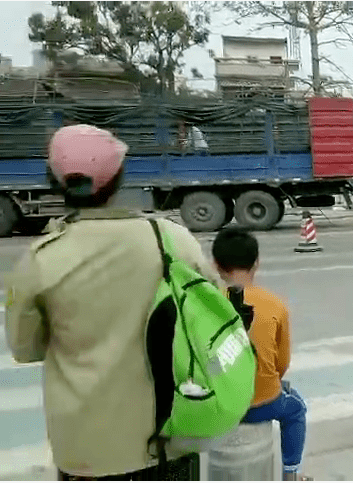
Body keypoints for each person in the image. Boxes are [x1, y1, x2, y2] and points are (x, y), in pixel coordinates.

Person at [5, 124, 219, 480]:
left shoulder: (40, 260)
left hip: (86, 450)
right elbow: (211, 314)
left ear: (55, 182)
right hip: (168, 435)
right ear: (120, 179)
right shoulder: (170, 240)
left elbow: (26, 348)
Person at [210, 227, 311, 482]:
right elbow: (282, 363)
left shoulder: (206, 303)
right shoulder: (274, 304)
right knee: (296, 409)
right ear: (257, 262)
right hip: (262, 404)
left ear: (215, 265)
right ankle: (290, 474)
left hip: (216, 405)